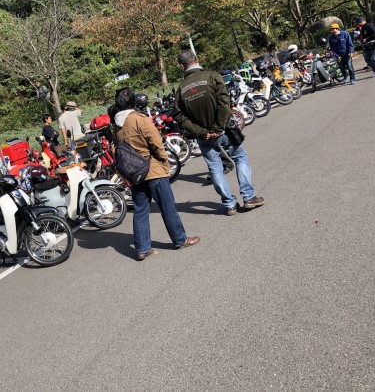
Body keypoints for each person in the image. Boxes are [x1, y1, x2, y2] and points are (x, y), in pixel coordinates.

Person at [173, 50, 264, 216]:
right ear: (196, 59)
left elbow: (179, 115)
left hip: (204, 137)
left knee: (215, 168)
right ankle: (249, 197)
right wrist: (218, 127)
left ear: (182, 66)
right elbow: (224, 103)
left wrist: (201, 132)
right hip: (224, 131)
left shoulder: (181, 89)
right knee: (240, 157)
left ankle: (230, 204)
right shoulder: (212, 76)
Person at [113, 87, 200, 260]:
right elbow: (156, 142)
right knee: (168, 206)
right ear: (134, 101)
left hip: (134, 172)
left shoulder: (116, 124)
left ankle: (142, 248)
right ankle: (180, 239)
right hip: (152, 169)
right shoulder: (139, 119)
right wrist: (164, 161)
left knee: (140, 211)